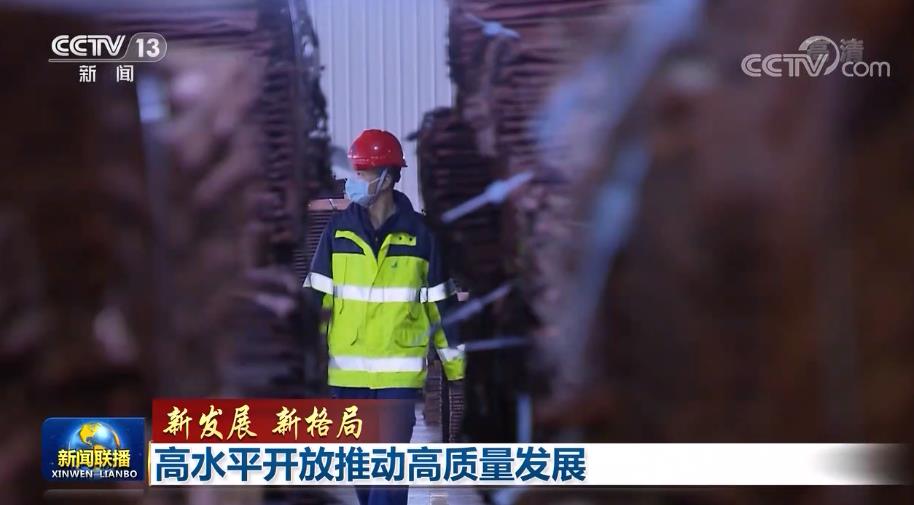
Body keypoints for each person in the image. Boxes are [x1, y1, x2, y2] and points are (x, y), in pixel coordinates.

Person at [303, 129, 464, 505]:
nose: (354, 182)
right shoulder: (338, 233)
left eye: (362, 173)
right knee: (362, 477)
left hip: (397, 378)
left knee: (387, 475)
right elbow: (315, 300)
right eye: (354, 172)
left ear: (388, 177)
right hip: (347, 377)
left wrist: (457, 369)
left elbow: (442, 306)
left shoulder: (421, 237)